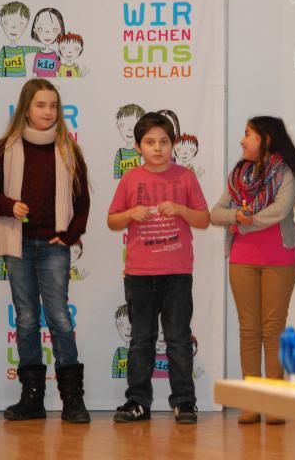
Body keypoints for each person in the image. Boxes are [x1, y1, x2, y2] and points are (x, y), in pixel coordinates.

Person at [0, 78, 91, 423]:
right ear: (26, 109)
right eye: (41, 105)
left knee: (59, 316)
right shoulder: (7, 147)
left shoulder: (68, 150)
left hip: (53, 247)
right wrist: (10, 206)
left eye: (53, 106)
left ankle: (72, 399)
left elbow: (82, 201)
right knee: (27, 319)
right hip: (18, 244)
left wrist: (71, 235)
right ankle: (31, 398)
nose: (48, 112)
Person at [107, 112, 209, 425]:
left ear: (173, 144)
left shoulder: (185, 177)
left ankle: (185, 403)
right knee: (141, 339)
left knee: (178, 338)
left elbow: (203, 219)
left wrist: (180, 209)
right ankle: (138, 402)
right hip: (140, 273)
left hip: (177, 272)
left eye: (164, 142)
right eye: (150, 142)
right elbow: (112, 220)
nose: (157, 148)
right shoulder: (130, 179)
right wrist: (130, 214)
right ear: (138, 146)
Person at [210, 116, 295, 425]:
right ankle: (251, 402)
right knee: (249, 330)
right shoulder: (239, 175)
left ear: (266, 138)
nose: (242, 140)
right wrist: (236, 217)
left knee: (273, 329)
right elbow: (215, 214)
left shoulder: (285, 172)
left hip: (279, 260)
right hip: (242, 260)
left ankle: (276, 403)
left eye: (248, 134)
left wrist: (244, 223)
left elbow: (280, 210)